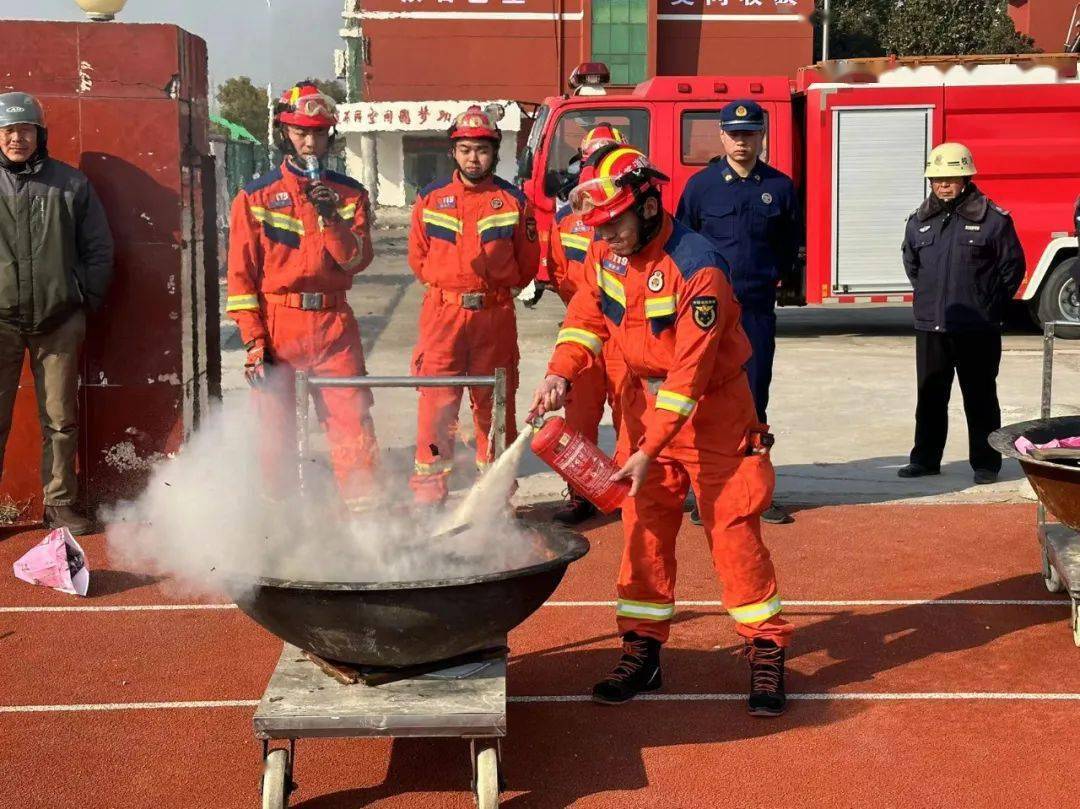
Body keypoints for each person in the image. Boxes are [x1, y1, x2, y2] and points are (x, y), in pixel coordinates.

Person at [531, 145, 793, 716]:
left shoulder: (700, 266)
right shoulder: (607, 252)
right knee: (643, 532)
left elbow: (689, 374)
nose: (607, 236)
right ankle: (643, 649)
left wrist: (649, 448)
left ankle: (766, 648)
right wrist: (559, 375)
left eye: (615, 222)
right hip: (642, 410)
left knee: (733, 532)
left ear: (648, 206)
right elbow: (585, 318)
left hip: (713, 415)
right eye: (597, 225)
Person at [226, 81, 377, 504]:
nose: (310, 142)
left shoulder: (350, 195)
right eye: (300, 132)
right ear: (283, 133)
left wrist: (332, 218)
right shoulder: (254, 197)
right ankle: (281, 528)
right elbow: (240, 281)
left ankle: (366, 529)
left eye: (318, 132)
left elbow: (356, 261)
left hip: (334, 326)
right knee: (275, 435)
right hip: (279, 326)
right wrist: (255, 343)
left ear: (331, 135)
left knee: (353, 426)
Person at [676, 100, 802, 526]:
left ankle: (757, 493)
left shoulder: (781, 188)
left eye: (750, 134)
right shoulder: (701, 187)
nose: (742, 141)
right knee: (705, 397)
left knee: (754, 398)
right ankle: (707, 492)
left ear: (761, 136)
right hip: (708, 313)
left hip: (756, 313)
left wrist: (772, 278)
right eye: (734, 133)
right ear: (722, 136)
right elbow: (683, 246)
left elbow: (789, 246)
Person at [407, 105, 540, 505]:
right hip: (442, 318)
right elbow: (418, 258)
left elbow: (528, 262)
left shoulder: (513, 201)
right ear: (454, 152)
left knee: (495, 408)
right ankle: (430, 497)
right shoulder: (430, 200)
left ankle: (495, 497)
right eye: (465, 149)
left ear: (494, 152)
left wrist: (496, 292)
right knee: (437, 406)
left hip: (494, 318)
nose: (473, 158)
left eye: (481, 150)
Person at [0, 92, 113, 536]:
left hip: (60, 321)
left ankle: (60, 503)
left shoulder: (71, 184)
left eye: (25, 130)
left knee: (61, 419)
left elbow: (99, 249)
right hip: (1, 320)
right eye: (8, 131)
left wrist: (83, 299)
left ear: (40, 135)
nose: (16, 139)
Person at [899, 142, 1024, 485]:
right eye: (937, 178)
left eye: (951, 177)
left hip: (977, 327)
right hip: (931, 327)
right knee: (930, 395)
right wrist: (929, 300)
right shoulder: (919, 222)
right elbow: (913, 265)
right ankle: (925, 460)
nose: (943, 184)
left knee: (980, 396)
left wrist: (988, 307)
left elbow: (1012, 268)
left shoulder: (993, 220)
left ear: (966, 177)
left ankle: (986, 464)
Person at [546, 125, 628, 524]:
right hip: (585, 328)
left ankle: (632, 493)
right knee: (579, 417)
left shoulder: (634, 213)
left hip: (627, 332)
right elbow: (560, 275)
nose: (598, 165)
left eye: (606, 156)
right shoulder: (565, 219)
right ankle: (581, 493)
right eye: (593, 158)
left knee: (632, 414)